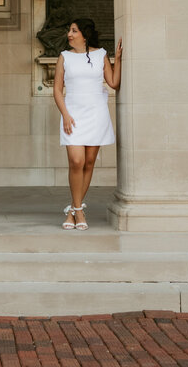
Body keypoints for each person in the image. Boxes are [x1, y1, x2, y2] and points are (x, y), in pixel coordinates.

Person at [52, 18, 121, 230]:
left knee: (89, 162)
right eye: (69, 31)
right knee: (76, 160)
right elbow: (56, 90)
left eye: (73, 31)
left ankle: (74, 210)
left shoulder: (100, 54)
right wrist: (65, 114)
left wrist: (117, 59)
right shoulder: (64, 57)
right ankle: (78, 209)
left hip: (96, 114)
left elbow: (113, 83)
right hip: (73, 115)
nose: (69, 34)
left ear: (85, 34)